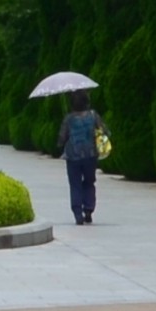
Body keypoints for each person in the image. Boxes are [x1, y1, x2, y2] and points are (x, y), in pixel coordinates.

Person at [59, 89, 103, 224]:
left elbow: (62, 138)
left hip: (73, 156)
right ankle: (88, 209)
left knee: (75, 185)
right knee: (89, 182)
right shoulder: (93, 116)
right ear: (87, 102)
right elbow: (104, 131)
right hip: (90, 155)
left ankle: (78, 214)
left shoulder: (69, 119)